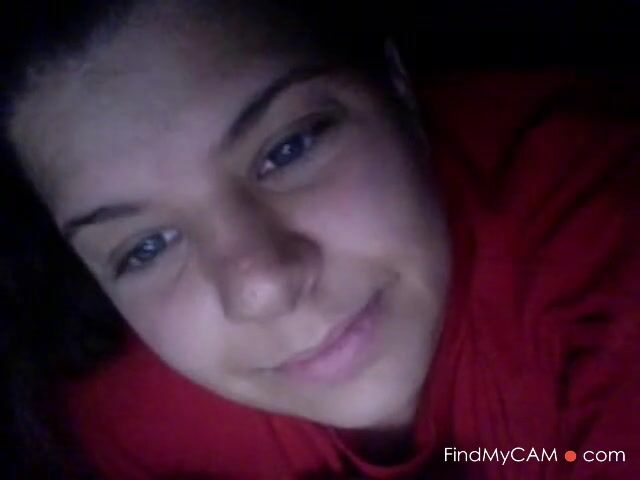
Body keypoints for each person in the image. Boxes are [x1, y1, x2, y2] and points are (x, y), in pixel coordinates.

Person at [3, 1, 639, 478]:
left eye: (289, 148)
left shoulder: (598, 242)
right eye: (145, 247)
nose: (262, 286)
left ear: (395, 86)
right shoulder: (132, 424)